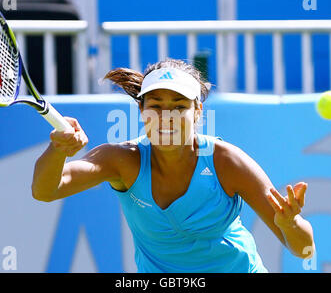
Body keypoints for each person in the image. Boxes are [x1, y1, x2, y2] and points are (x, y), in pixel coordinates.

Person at [31, 58, 315, 273]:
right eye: (155, 105)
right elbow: (45, 191)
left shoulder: (227, 162)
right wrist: (57, 149)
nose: (166, 116)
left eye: (179, 106)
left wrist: (289, 224)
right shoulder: (121, 160)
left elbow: (304, 249)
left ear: (198, 111)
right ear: (142, 110)